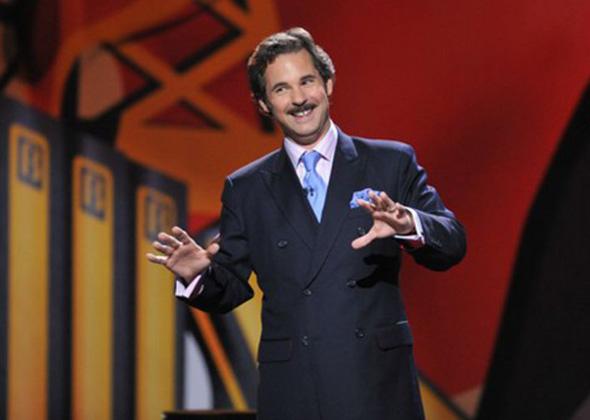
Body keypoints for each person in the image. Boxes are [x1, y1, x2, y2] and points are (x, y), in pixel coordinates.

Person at [147, 27, 466, 420]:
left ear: (328, 84)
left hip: (375, 384)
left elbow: (452, 244)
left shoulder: (390, 162)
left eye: (307, 81)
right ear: (264, 104)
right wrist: (198, 275)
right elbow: (229, 289)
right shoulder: (246, 188)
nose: (299, 99)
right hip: (295, 389)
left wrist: (408, 224)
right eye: (281, 89)